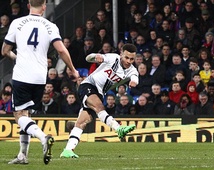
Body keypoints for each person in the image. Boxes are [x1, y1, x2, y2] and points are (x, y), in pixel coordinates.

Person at [1, 0, 79, 165]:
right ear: (44, 7)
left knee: (19, 115)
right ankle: (23, 155)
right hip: (39, 77)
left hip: (22, 75)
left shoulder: (17, 23)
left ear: (28, 6)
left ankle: (44, 138)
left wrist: (17, 58)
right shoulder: (50, 26)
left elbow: (5, 50)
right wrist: (72, 69)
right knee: (27, 114)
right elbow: (61, 49)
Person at [60, 43, 138, 158]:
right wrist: (96, 57)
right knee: (99, 107)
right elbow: (88, 58)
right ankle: (118, 128)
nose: (129, 61)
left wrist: (134, 82)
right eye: (126, 57)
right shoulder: (113, 58)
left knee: (82, 122)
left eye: (132, 59)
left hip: (100, 93)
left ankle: (67, 150)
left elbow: (135, 78)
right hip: (88, 85)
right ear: (121, 54)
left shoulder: (132, 70)